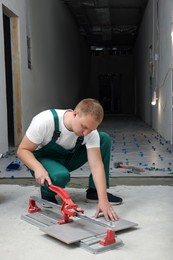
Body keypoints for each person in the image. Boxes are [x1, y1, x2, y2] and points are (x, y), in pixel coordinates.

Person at [17, 98, 122, 221]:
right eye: (84, 127)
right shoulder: (45, 121)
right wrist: (38, 168)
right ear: (75, 113)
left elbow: (96, 165)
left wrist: (103, 201)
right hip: (43, 160)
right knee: (61, 176)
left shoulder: (89, 132)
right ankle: (47, 194)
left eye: (91, 129)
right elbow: (22, 150)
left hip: (66, 158)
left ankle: (94, 192)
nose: (86, 132)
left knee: (103, 138)